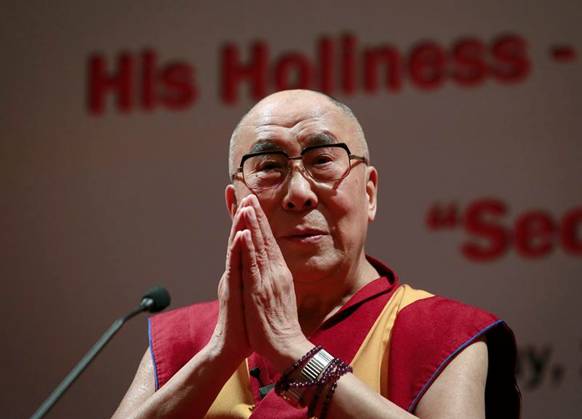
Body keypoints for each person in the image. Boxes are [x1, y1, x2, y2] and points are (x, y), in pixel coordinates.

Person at [112, 89, 519, 419]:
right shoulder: (187, 340)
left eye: (322, 160)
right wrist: (220, 354)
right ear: (235, 207)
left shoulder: (440, 332)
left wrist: (298, 355)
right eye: (269, 166)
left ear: (370, 193)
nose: (299, 194)